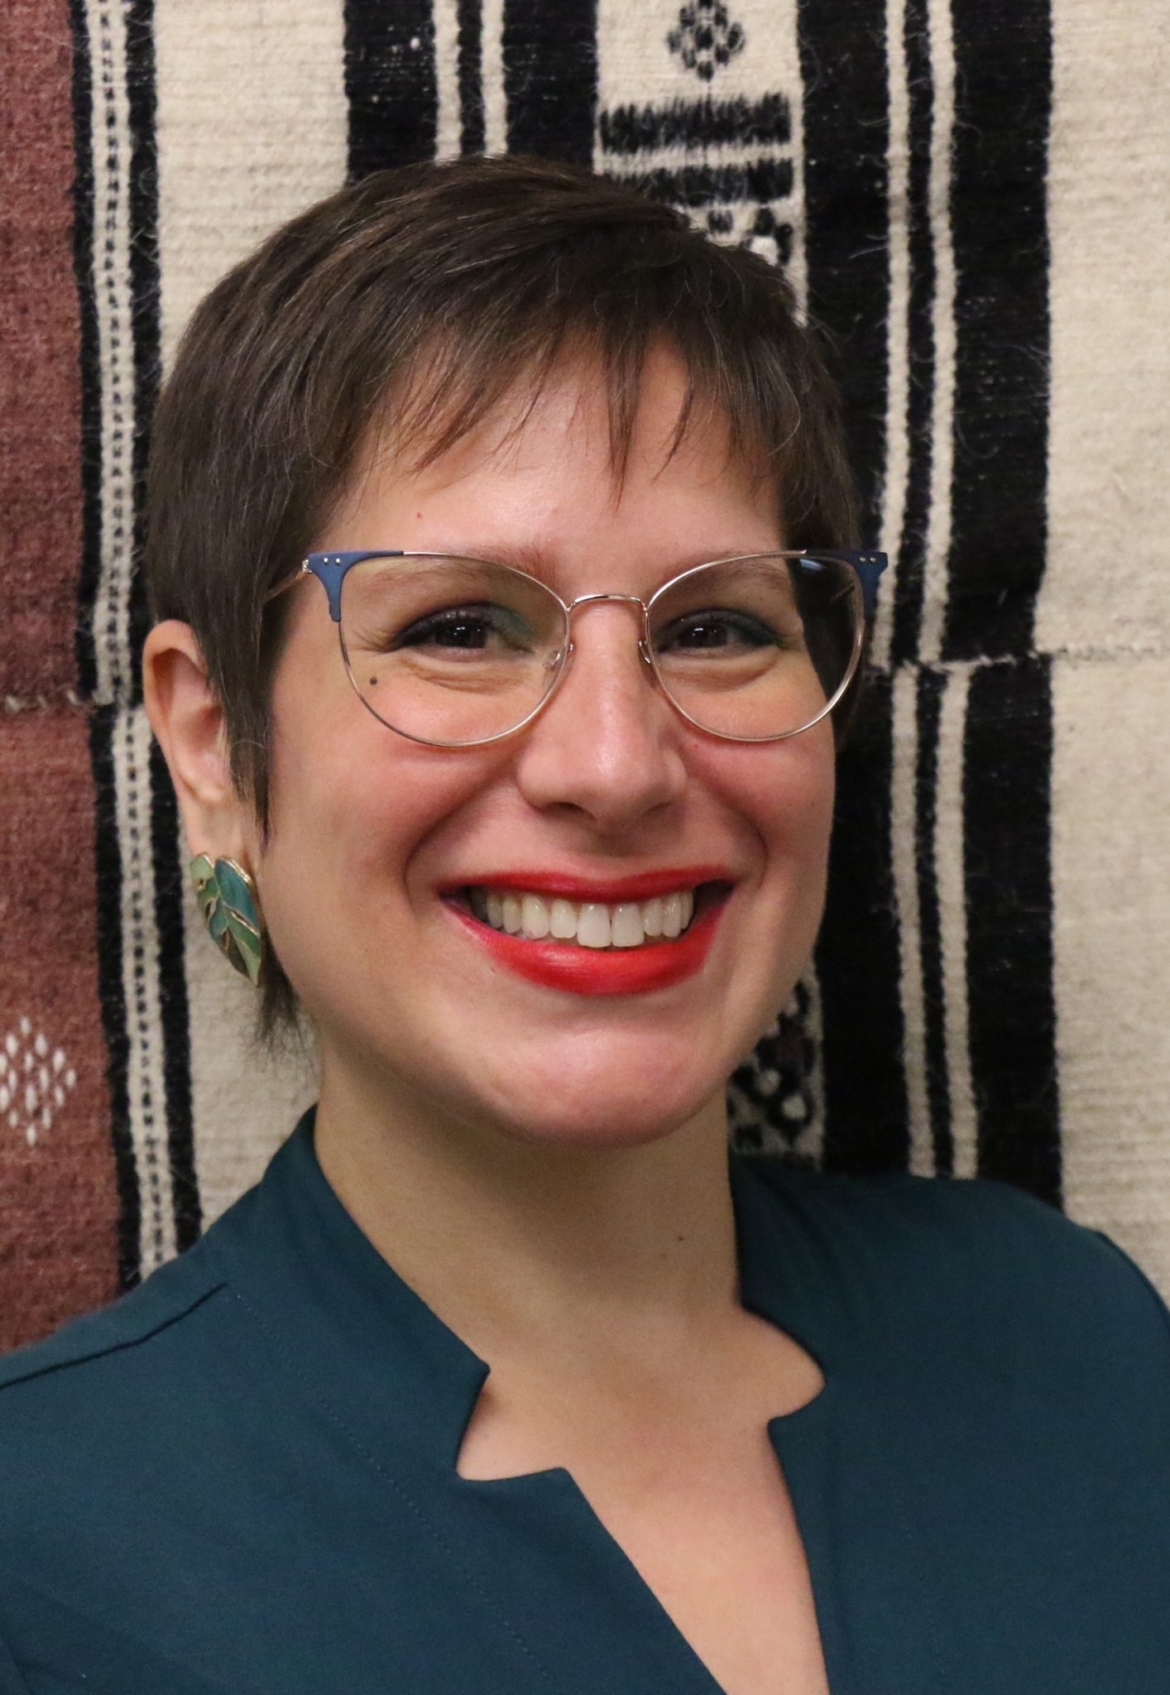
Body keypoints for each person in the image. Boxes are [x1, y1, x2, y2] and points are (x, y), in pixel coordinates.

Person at [1, 155, 1168, 1695]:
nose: (614, 765)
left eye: (714, 628)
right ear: (213, 743)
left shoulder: (1071, 1335)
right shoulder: (43, 1542)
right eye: (460, 628)